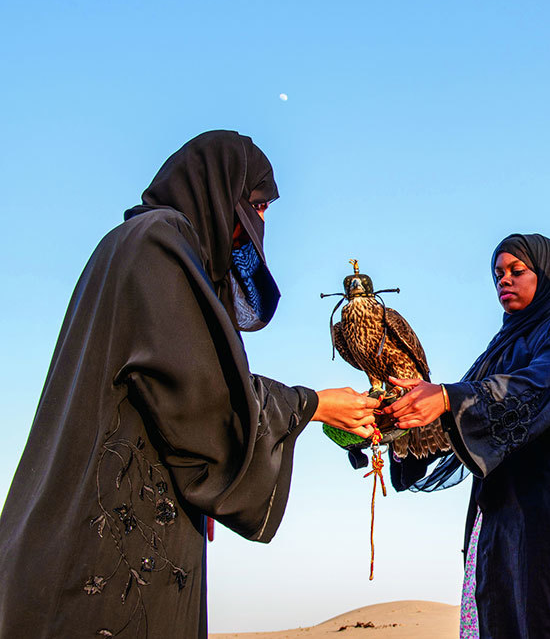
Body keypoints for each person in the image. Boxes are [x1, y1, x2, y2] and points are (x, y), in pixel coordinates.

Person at [0, 130, 380, 638]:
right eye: (258, 204)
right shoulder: (159, 241)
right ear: (217, 189)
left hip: (65, 539)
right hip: (100, 568)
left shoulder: (124, 245)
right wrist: (313, 404)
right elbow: (204, 401)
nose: (259, 224)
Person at [382, 233, 550, 639]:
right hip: (501, 522)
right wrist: (398, 426)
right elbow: (450, 421)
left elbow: (538, 387)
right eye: (498, 273)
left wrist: (448, 397)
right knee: (503, 617)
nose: (505, 280)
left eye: (517, 271)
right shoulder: (493, 353)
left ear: (547, 274)